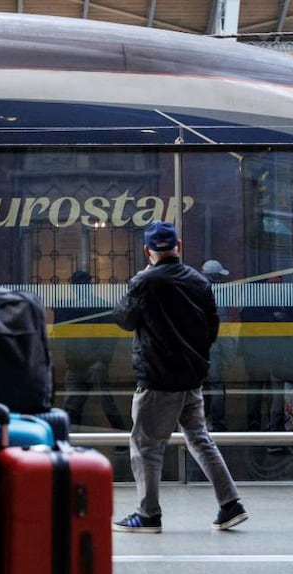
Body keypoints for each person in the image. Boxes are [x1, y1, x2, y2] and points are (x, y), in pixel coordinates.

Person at [111, 221, 247, 533]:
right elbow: (212, 328)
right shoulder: (199, 282)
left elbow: (124, 319)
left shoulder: (145, 282)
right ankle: (230, 504)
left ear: (147, 250)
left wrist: (138, 281)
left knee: (145, 446)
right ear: (179, 246)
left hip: (158, 379)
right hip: (191, 377)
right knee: (200, 439)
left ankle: (148, 515)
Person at [54, 269, 125, 430]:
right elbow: (59, 331)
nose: (78, 289)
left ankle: (122, 438)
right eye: (76, 286)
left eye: (81, 286)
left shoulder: (100, 306)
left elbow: (110, 337)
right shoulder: (74, 307)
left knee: (105, 404)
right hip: (76, 364)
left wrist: (102, 360)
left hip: (92, 364)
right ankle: (73, 440)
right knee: (73, 406)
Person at [201, 259, 235, 431]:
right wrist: (229, 356)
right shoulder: (218, 296)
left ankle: (203, 421)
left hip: (198, 351)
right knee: (215, 388)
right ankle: (219, 424)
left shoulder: (195, 292)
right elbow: (224, 329)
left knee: (202, 389)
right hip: (214, 351)